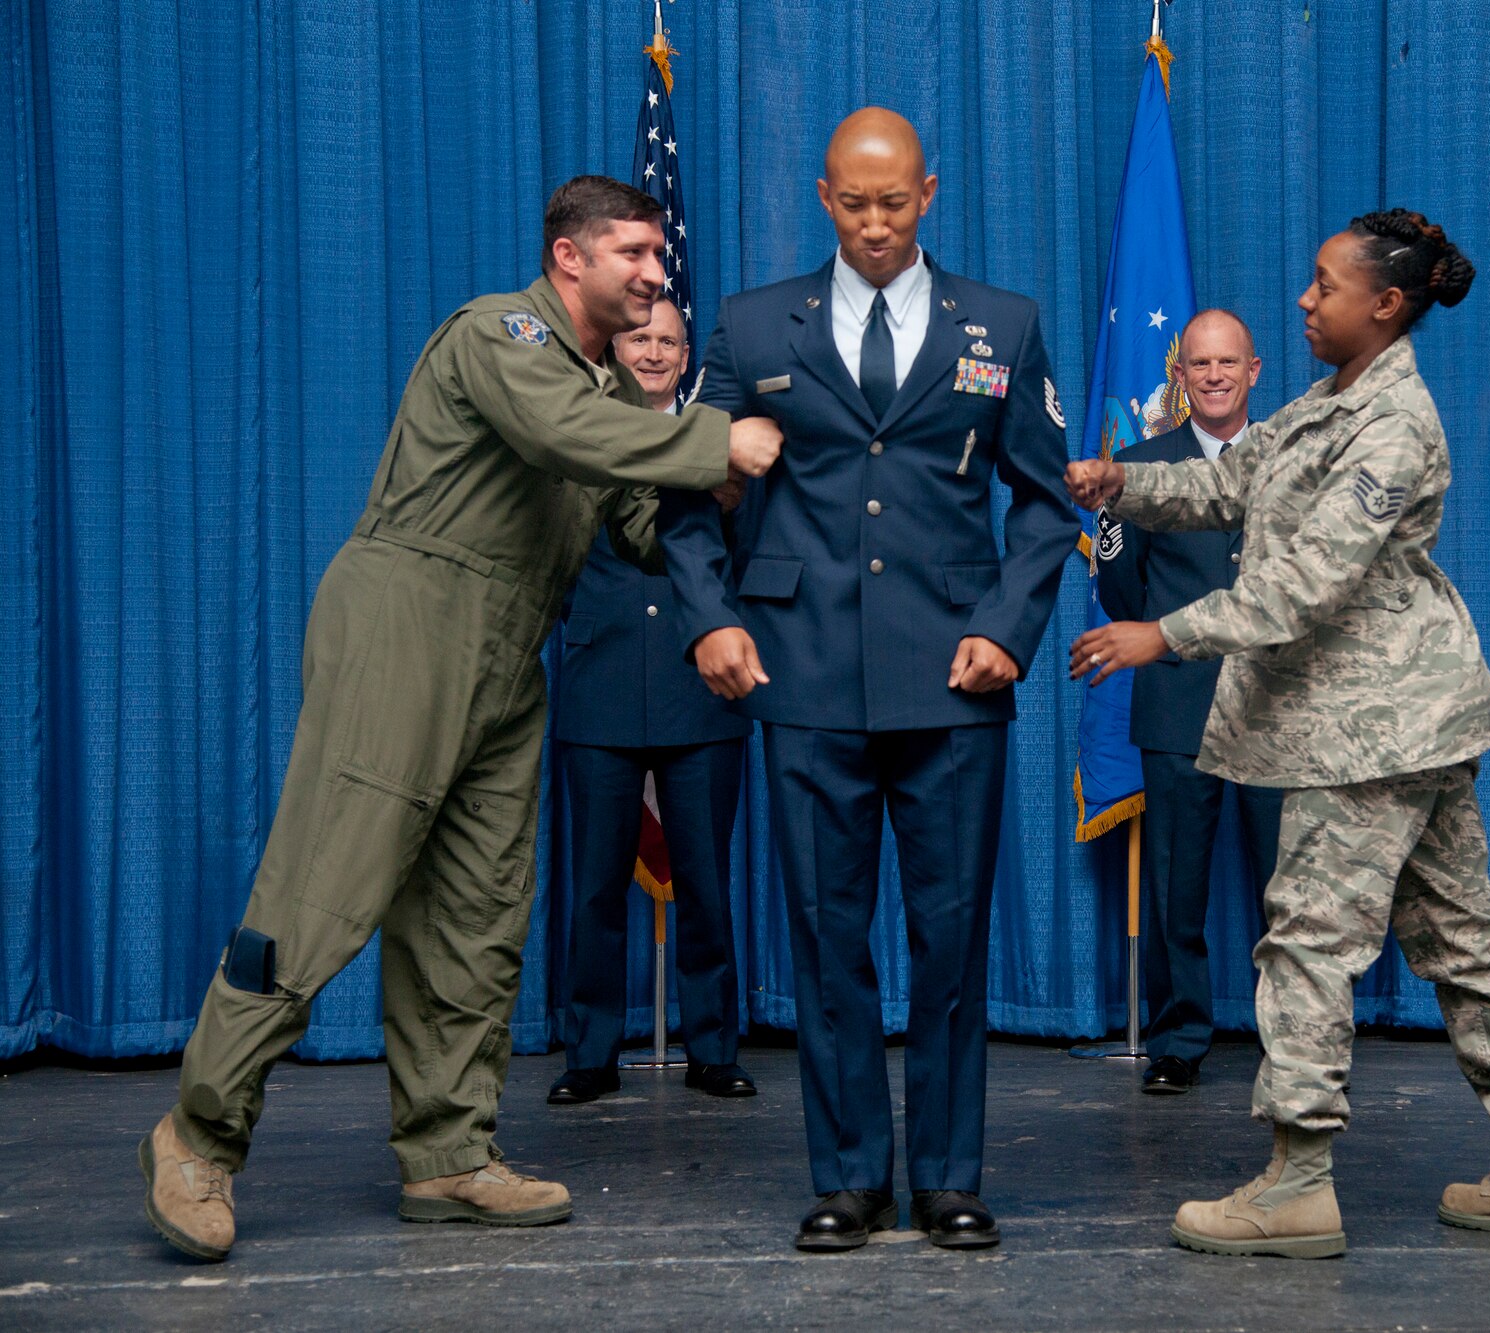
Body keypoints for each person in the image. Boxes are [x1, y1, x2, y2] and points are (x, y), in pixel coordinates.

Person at [139, 176, 784, 1264]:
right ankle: (197, 1135)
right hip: (410, 617)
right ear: (568, 257)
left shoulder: (616, 399)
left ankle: (446, 1154)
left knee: (477, 909)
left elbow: (635, 520)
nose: (652, 271)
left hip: (508, 646)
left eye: (656, 253)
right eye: (629, 250)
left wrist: (736, 485)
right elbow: (555, 428)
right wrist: (716, 443)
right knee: (325, 884)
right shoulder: (505, 333)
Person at [1067, 209, 1490, 1259]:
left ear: (1385, 306)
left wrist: (1157, 635)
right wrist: (1124, 480)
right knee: (1461, 935)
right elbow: (1227, 480)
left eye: (1322, 286)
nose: (1304, 300)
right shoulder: (1328, 402)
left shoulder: (1393, 426)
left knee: (1307, 935)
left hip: (1372, 728)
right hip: (1402, 721)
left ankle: (1296, 1178)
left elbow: (1298, 588)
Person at [660, 108, 1075, 1253]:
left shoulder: (1000, 323)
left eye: (895, 203)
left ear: (928, 195)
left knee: (948, 941)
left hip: (953, 678)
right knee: (824, 934)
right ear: (821, 195)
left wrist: (1009, 626)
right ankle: (847, 1176)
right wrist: (708, 621)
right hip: (797, 678)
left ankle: (946, 1175)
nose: (875, 224)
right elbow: (686, 498)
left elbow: (1043, 503)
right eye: (854, 202)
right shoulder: (747, 326)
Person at [547, 297, 757, 1106]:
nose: (655, 351)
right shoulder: (575, 427)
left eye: (670, 340)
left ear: (686, 354)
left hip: (701, 691)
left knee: (707, 882)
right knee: (594, 886)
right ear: (615, 345)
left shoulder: (723, 444)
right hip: (599, 687)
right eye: (640, 337)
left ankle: (713, 1046)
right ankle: (588, 1052)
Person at [1093, 309, 1284, 1097]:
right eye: (1198, 363)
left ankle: (1296, 1039)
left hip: (1279, 705)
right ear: (1180, 373)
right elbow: (1121, 587)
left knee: (1291, 888)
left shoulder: (1292, 460)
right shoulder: (1136, 467)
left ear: (1254, 370)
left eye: (1227, 363)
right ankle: (1179, 1036)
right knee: (1176, 886)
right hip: (1179, 704)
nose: (1212, 376)